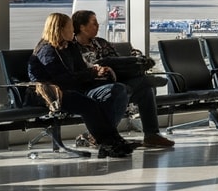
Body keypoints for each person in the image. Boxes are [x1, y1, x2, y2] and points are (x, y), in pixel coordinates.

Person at [26, 12, 135, 158]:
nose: (73, 30)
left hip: (73, 89)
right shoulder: (47, 50)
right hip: (50, 94)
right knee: (88, 104)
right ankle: (109, 141)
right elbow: (61, 80)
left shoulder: (70, 47)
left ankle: (109, 140)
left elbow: (80, 71)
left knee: (114, 92)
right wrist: (91, 74)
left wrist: (96, 73)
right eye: (70, 27)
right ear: (60, 29)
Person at [71, 9, 173, 149]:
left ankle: (151, 135)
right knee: (126, 89)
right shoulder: (72, 48)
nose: (98, 26)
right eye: (93, 23)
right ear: (82, 27)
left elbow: (118, 61)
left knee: (144, 91)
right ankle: (99, 135)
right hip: (92, 87)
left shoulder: (101, 43)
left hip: (113, 82)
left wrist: (132, 60)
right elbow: (77, 74)